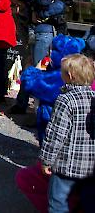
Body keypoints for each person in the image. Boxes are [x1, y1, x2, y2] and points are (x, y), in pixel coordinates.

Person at [39, 54, 95, 213]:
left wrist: (46, 160)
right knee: (89, 203)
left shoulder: (66, 100)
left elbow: (56, 133)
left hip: (67, 164)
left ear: (70, 76)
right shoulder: (93, 98)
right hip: (91, 165)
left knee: (58, 202)